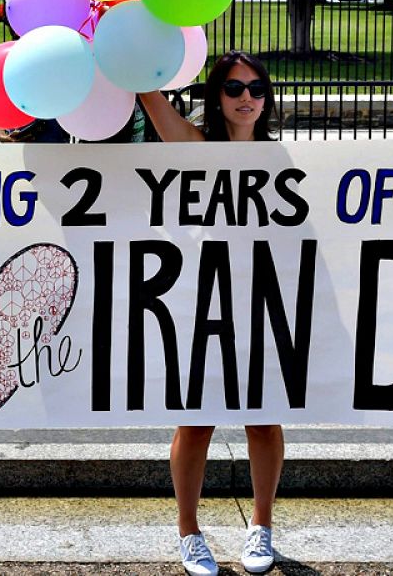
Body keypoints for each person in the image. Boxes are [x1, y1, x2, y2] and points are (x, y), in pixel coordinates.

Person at [138, 51, 282, 576]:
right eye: (234, 88)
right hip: (201, 302)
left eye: (257, 88)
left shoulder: (281, 159)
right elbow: (149, 97)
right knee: (196, 422)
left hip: (261, 304)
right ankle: (189, 531)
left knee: (263, 420)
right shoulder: (195, 147)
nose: (247, 98)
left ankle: (261, 525)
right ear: (216, 96)